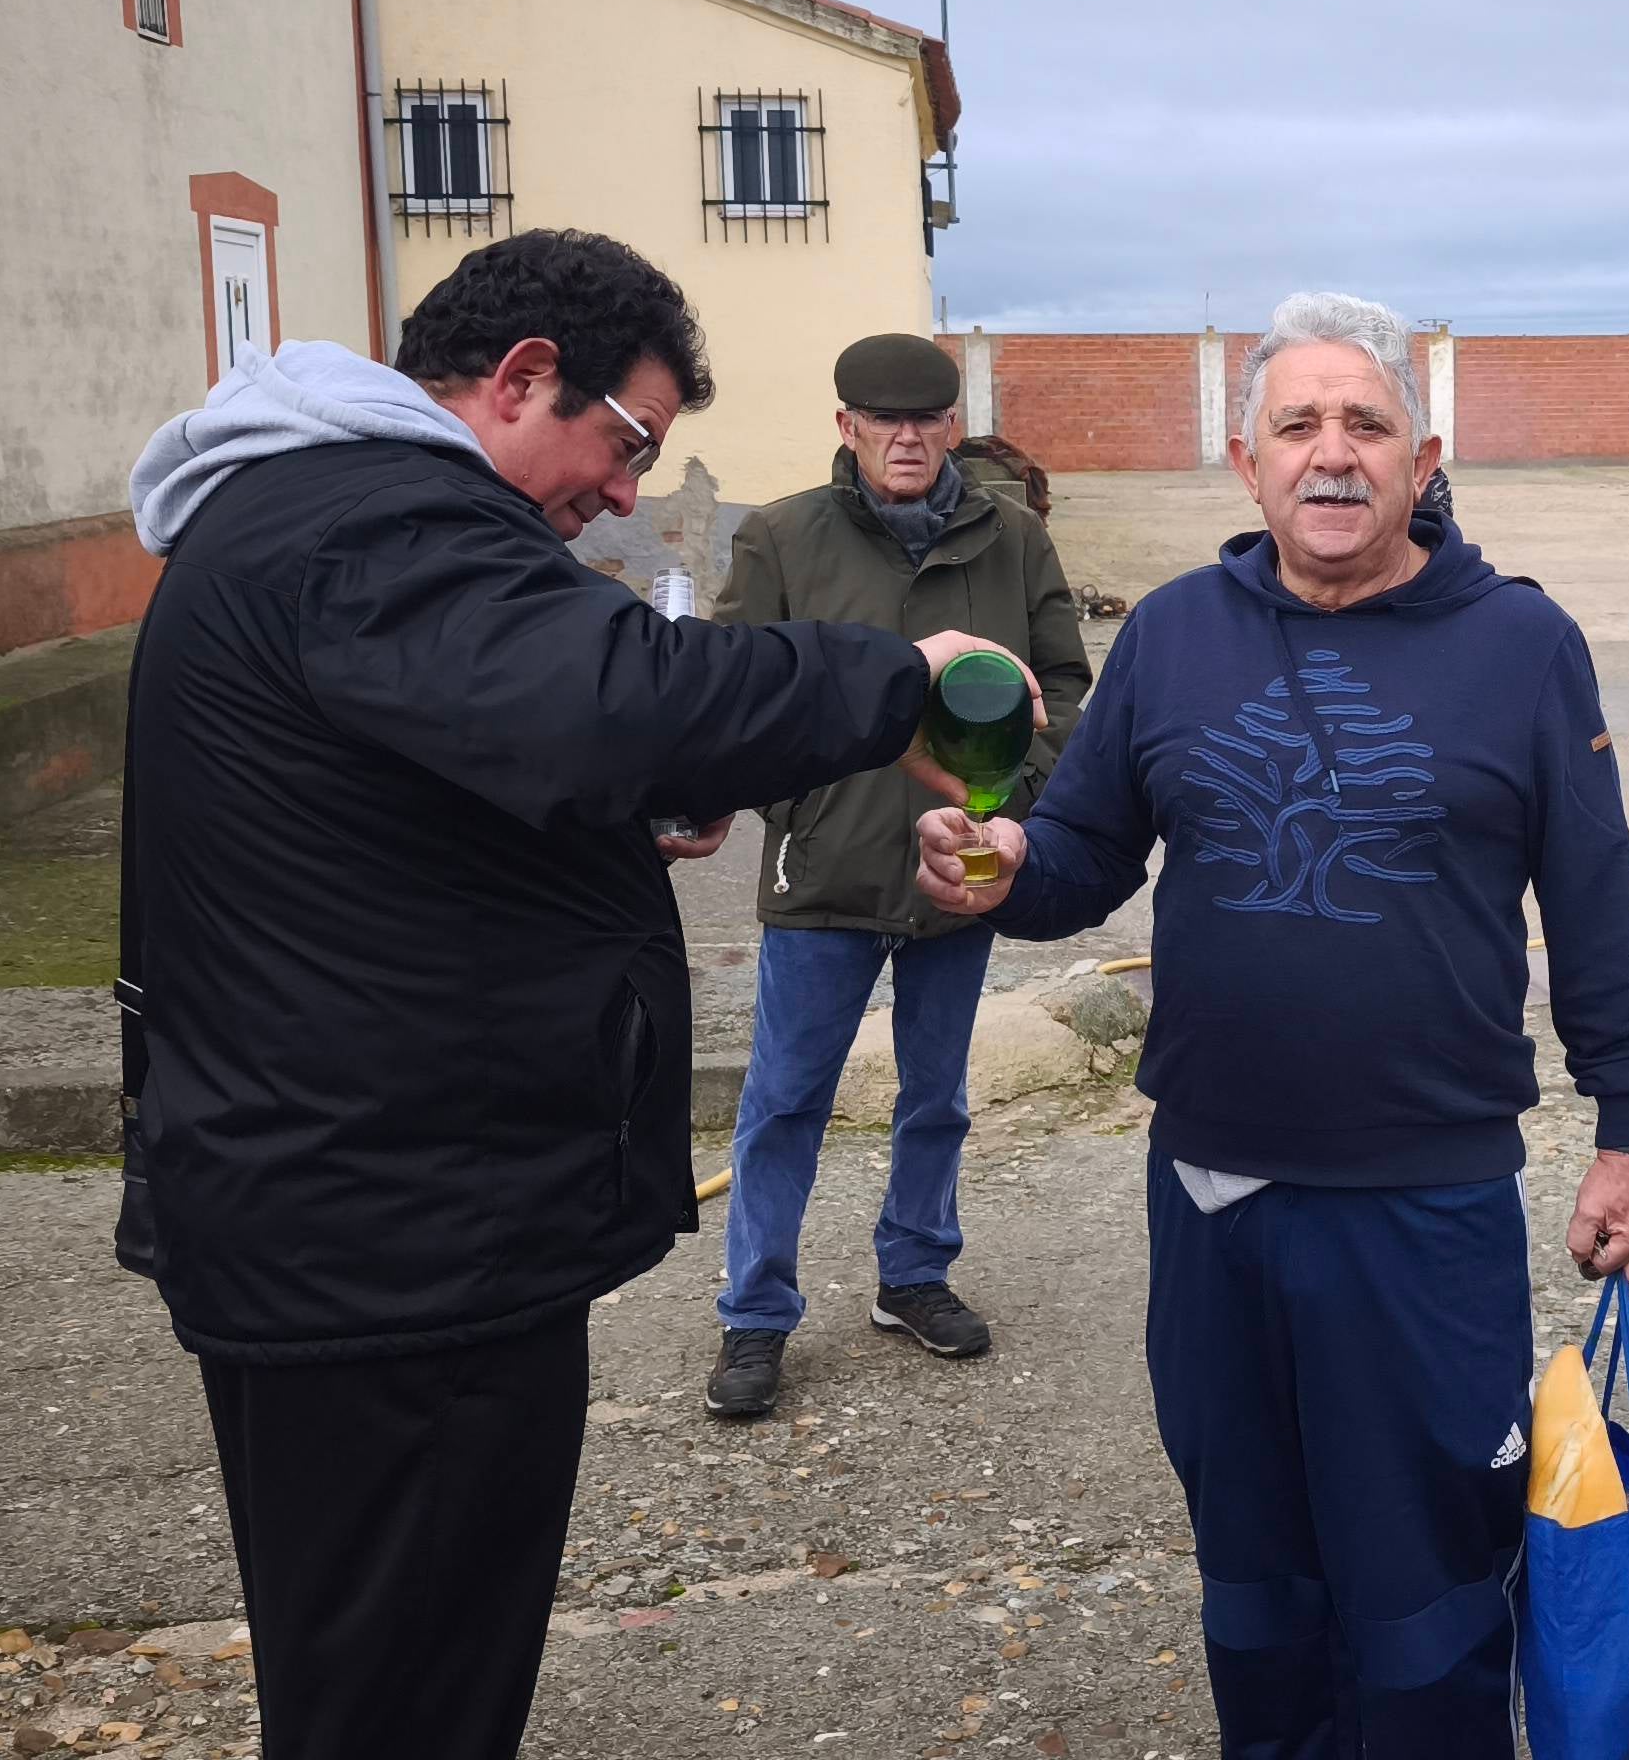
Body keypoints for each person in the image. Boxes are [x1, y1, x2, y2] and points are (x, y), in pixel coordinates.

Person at [112, 231, 1026, 1760]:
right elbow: (616, 698)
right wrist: (895, 677)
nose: (623, 489)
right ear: (529, 375)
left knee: (387, 1680)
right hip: (393, 1243)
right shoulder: (377, 525)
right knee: (404, 1698)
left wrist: (614, 804)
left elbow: (474, 771)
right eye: (630, 443)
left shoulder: (325, 511)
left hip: (358, 1206)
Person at [911, 291, 1629, 1759]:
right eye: (1299, 426)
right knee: (1255, 1580)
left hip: (1426, 1200)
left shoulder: (1520, 646)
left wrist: (1628, 1131)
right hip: (1217, 1194)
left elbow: (1597, 897)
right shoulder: (1175, 635)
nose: (1333, 455)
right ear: (1244, 460)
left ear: (1423, 456)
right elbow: (1079, 855)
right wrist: (1003, 865)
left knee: (1429, 1584)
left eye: (1366, 425)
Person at [703, 334, 1093, 1417]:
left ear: (951, 427)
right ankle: (755, 1314)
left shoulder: (1013, 539)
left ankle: (914, 1274)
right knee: (784, 1099)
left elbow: (1064, 683)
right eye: (882, 419)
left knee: (937, 1094)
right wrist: (771, 800)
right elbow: (735, 690)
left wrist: (1008, 802)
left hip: (958, 861)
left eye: (925, 419)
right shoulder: (781, 536)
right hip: (823, 862)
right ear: (847, 428)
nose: (906, 437)